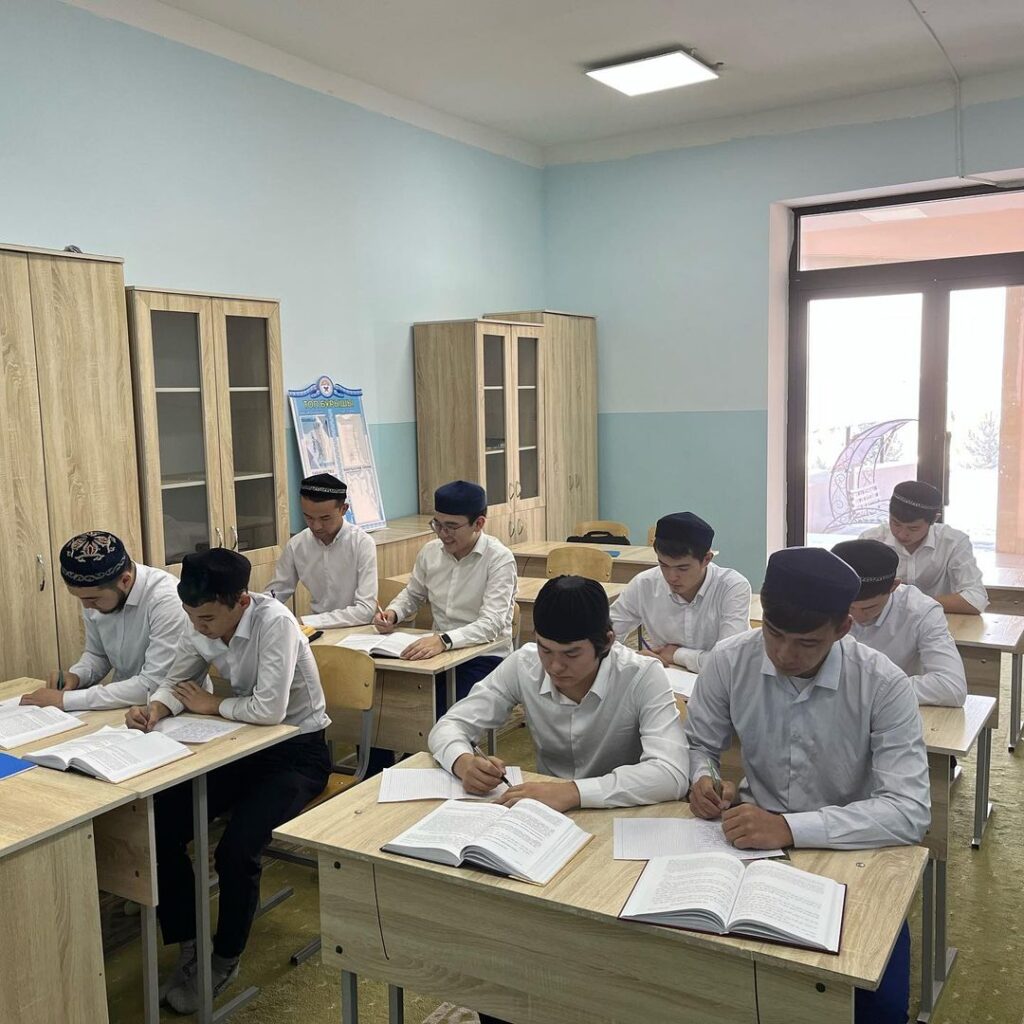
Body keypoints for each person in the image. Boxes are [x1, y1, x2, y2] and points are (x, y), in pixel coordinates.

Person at [684, 546, 929, 1024]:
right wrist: (704, 778)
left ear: (843, 628)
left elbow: (909, 811)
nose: (784, 654)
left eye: (806, 643)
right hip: (750, 846)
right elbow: (700, 744)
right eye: (774, 634)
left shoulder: (883, 684)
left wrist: (789, 828)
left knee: (873, 1004)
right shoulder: (729, 660)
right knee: (698, 975)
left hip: (853, 850)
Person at [430, 575, 688, 1024]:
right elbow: (449, 726)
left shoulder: (642, 675)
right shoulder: (524, 664)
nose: (555, 666)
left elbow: (671, 773)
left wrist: (572, 791)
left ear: (606, 642)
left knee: (604, 969)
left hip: (620, 827)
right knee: (503, 943)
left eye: (571, 654)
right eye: (546, 650)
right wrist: (462, 761)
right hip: (543, 826)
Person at [125, 549, 330, 1014]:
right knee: (160, 826)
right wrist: (156, 707)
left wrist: (211, 705)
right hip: (242, 746)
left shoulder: (275, 623)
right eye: (191, 616)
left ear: (241, 601)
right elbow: (178, 679)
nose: (198, 627)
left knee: (236, 849)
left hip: (297, 753)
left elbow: (270, 710)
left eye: (207, 619)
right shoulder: (199, 619)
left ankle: (225, 957)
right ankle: (190, 942)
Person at [373, 480, 517, 713]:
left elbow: (491, 624)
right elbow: (413, 594)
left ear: (479, 523)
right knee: (388, 698)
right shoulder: (430, 552)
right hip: (437, 654)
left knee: (441, 711)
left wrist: (444, 641)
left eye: (451, 527)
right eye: (437, 524)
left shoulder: (499, 559)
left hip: (483, 656)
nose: (443, 534)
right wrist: (393, 613)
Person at [20, 531, 189, 710]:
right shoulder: (96, 597)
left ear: (125, 581)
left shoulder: (166, 599)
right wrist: (77, 676)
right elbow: (98, 654)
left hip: (174, 709)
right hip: (121, 707)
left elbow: (152, 684)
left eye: (93, 599)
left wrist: (65, 700)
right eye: (80, 598)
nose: (86, 606)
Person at [833, 539, 967, 707]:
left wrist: (872, 690)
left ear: (894, 586)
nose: (856, 616)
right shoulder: (819, 602)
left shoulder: (921, 611)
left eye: (869, 607)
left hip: (890, 709)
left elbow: (952, 687)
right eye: (849, 607)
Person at [610, 511, 751, 670]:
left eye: (682, 568)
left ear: (706, 559)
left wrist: (677, 655)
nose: (671, 577)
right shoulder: (644, 584)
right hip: (666, 675)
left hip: (719, 681)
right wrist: (634, 657)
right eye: (663, 565)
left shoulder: (731, 587)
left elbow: (729, 662)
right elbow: (601, 639)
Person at [266, 472, 377, 628]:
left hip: (356, 628)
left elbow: (365, 611)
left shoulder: (361, 543)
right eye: (309, 517)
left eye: (325, 518)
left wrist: (304, 622)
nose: (316, 526)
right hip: (315, 628)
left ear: (343, 509)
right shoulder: (297, 545)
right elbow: (274, 594)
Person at [860, 480, 988, 614]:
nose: (902, 534)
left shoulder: (953, 542)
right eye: (896, 523)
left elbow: (976, 599)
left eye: (913, 528)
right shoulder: (870, 542)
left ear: (934, 520)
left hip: (938, 621)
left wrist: (915, 604)